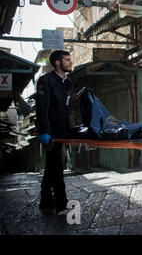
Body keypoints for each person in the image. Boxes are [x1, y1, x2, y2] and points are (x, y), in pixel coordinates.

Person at [36, 50, 73, 215]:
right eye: (67, 60)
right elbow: (42, 108)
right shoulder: (46, 81)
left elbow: (66, 108)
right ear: (58, 63)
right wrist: (44, 131)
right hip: (50, 131)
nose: (70, 62)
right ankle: (61, 203)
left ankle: (45, 200)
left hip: (63, 130)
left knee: (51, 166)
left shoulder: (68, 82)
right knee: (57, 166)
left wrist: (70, 130)